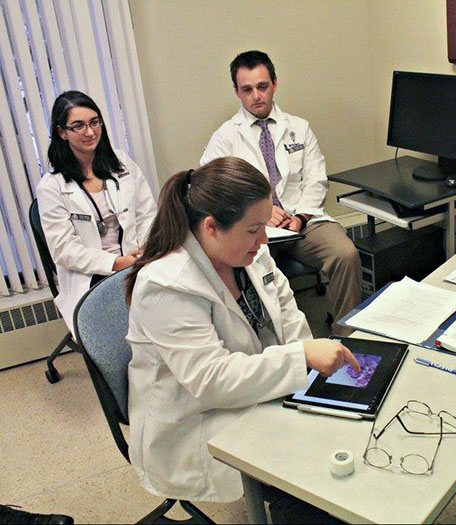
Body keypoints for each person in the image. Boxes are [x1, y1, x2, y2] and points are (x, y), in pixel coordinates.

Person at [125, 157, 359, 522]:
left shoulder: (250, 252)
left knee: (342, 435)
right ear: (212, 228)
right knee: (306, 482)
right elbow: (211, 381)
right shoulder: (166, 284)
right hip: (197, 419)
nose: (264, 239)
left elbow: (288, 316)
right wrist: (301, 357)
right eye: (253, 230)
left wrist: (311, 380)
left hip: (254, 390)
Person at [200, 50, 361, 336]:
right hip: (254, 228)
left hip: (303, 222)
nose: (256, 96)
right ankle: (275, 345)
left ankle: (347, 336)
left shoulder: (299, 128)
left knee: (345, 254)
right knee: (255, 274)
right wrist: (259, 214)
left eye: (262, 86)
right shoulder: (225, 138)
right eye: (247, 89)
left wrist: (300, 217)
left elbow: (316, 179)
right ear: (237, 92)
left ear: (274, 83)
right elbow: (212, 191)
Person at [36, 90, 156, 334]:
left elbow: (147, 214)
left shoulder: (122, 164)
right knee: (132, 323)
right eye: (78, 126)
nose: (90, 132)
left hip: (137, 259)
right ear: (62, 132)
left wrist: (145, 249)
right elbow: (64, 249)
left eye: (94, 122)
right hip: (92, 274)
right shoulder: (51, 187)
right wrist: (115, 263)